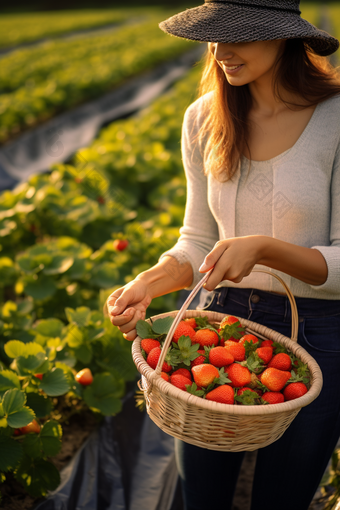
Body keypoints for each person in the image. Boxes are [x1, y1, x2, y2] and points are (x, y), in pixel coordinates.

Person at [108, 1, 340, 508]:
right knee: (202, 492)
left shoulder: (336, 118)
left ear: (283, 36)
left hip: (319, 332)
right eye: (214, 36)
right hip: (221, 327)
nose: (220, 51)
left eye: (238, 35)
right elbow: (196, 239)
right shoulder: (203, 119)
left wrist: (264, 249)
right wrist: (150, 281)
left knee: (284, 496)